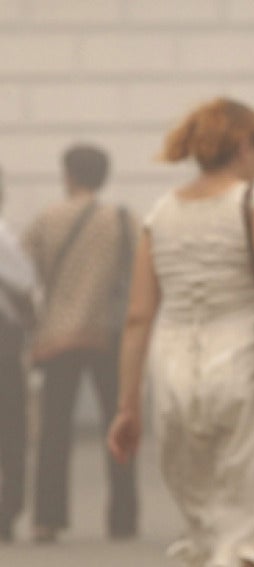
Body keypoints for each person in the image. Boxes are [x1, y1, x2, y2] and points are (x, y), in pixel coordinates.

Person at [106, 97, 254, 567]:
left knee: (204, 521)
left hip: (172, 368)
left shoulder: (161, 213)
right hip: (244, 362)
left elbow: (137, 317)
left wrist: (127, 407)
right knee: (246, 529)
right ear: (241, 145)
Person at [21, 143, 137, 543]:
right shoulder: (121, 219)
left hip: (57, 337)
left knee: (55, 431)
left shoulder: (47, 219)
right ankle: (123, 518)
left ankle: (48, 518)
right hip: (109, 335)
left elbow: (24, 273)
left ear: (68, 174)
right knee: (118, 427)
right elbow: (140, 273)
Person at [0, 168, 36, 543]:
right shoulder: (2, 235)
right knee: (10, 429)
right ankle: (7, 510)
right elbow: (24, 283)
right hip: (2, 345)